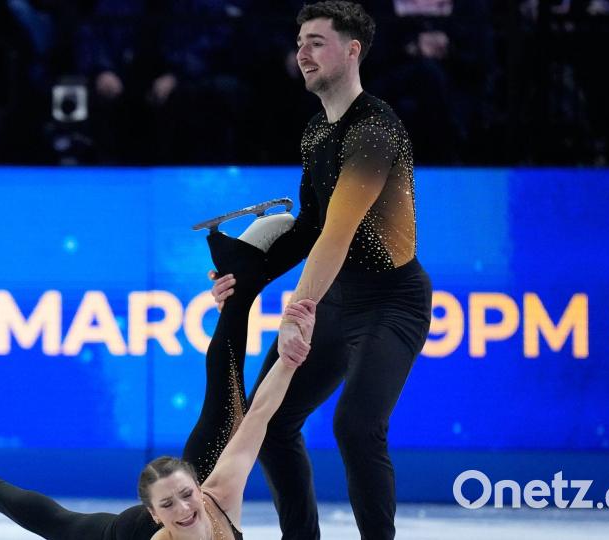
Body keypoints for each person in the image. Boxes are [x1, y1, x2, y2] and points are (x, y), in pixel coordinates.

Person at [209, 2, 432, 539]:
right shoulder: (316, 133)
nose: (302, 53)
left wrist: (297, 309)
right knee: (270, 420)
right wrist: (246, 276)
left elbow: (340, 229)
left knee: (356, 427)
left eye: (316, 42)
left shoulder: (375, 130)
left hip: (391, 300)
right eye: (300, 41)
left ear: (353, 50)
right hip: (336, 297)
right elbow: (310, 224)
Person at [0, 224, 319, 540]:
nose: (186, 509)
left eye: (188, 496)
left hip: (179, 485)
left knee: (232, 417)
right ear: (155, 515)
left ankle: (240, 280)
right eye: (170, 506)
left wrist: (290, 359)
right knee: (61, 524)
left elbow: (260, 416)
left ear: (200, 488)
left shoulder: (218, 493)